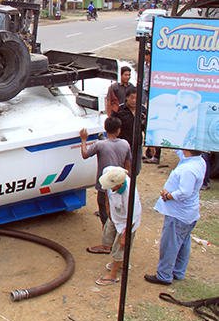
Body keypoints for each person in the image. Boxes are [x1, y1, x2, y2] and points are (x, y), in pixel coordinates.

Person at [145, 149, 206, 285]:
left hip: (178, 214)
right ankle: (178, 271)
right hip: (188, 213)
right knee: (183, 242)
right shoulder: (197, 160)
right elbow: (180, 151)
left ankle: (164, 275)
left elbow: (185, 192)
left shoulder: (188, 169)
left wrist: (167, 195)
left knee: (170, 244)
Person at [80, 116, 132, 236]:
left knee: (105, 212)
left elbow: (85, 154)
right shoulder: (125, 144)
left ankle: (107, 239)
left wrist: (83, 140)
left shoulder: (100, 145)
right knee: (118, 211)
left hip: (104, 185)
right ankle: (118, 235)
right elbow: (128, 165)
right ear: (119, 130)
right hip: (119, 184)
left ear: (105, 128)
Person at [94, 166, 142, 286]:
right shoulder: (110, 172)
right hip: (116, 215)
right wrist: (108, 205)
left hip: (127, 222)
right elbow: (106, 189)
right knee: (107, 236)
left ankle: (114, 274)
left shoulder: (129, 195)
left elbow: (132, 219)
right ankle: (120, 263)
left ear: (119, 185)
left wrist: (125, 235)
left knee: (120, 246)